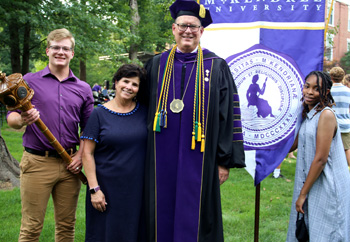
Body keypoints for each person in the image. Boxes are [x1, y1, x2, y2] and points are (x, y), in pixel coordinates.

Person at [143, 1, 245, 241]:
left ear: (201, 31)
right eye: (183, 26)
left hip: (201, 156)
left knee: (196, 211)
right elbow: (141, 109)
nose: (188, 31)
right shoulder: (156, 65)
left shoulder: (216, 65)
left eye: (193, 26)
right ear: (173, 29)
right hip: (159, 155)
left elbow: (228, 116)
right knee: (160, 207)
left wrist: (224, 161)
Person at [7, 28, 94, 241]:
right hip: (37, 163)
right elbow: (12, 118)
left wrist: (79, 156)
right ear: (47, 50)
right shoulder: (29, 80)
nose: (60, 52)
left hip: (69, 166)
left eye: (66, 48)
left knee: (66, 228)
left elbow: (89, 131)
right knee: (31, 229)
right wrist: (22, 120)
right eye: (56, 47)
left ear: (72, 53)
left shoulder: (83, 88)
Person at [81, 64, 148, 242]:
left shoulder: (145, 113)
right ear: (116, 82)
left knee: (135, 233)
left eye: (135, 84)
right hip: (106, 190)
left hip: (137, 189)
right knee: (105, 234)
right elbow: (87, 153)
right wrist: (94, 189)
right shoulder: (99, 114)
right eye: (125, 81)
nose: (129, 87)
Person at [286, 71, 350, 241]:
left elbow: (321, 159)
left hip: (328, 183)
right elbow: (296, 143)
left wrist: (302, 194)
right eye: (307, 86)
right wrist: (267, 150)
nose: (309, 92)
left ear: (326, 92)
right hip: (314, 181)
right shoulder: (311, 113)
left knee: (327, 232)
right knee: (312, 230)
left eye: (316, 89)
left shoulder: (326, 115)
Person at [330, 67, 350, 168]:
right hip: (345, 123)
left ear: (331, 76)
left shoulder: (329, 91)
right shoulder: (348, 91)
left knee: (330, 149)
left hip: (330, 124)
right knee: (347, 149)